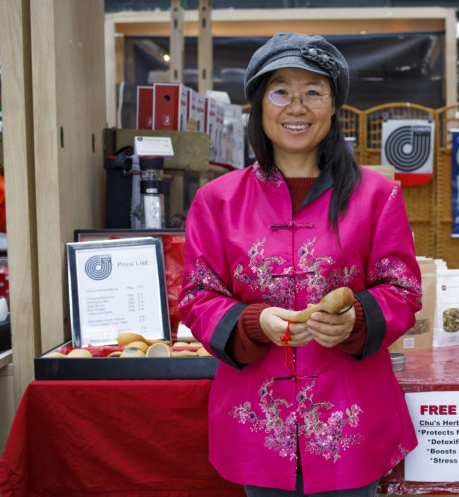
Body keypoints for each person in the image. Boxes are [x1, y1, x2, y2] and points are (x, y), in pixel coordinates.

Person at [179, 32, 422, 497]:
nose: (297, 107)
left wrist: (355, 319)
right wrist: (253, 323)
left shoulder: (377, 196)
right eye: (280, 92)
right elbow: (197, 297)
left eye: (313, 91)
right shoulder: (216, 201)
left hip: (349, 424)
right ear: (258, 105)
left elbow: (403, 290)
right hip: (256, 421)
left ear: (333, 107)